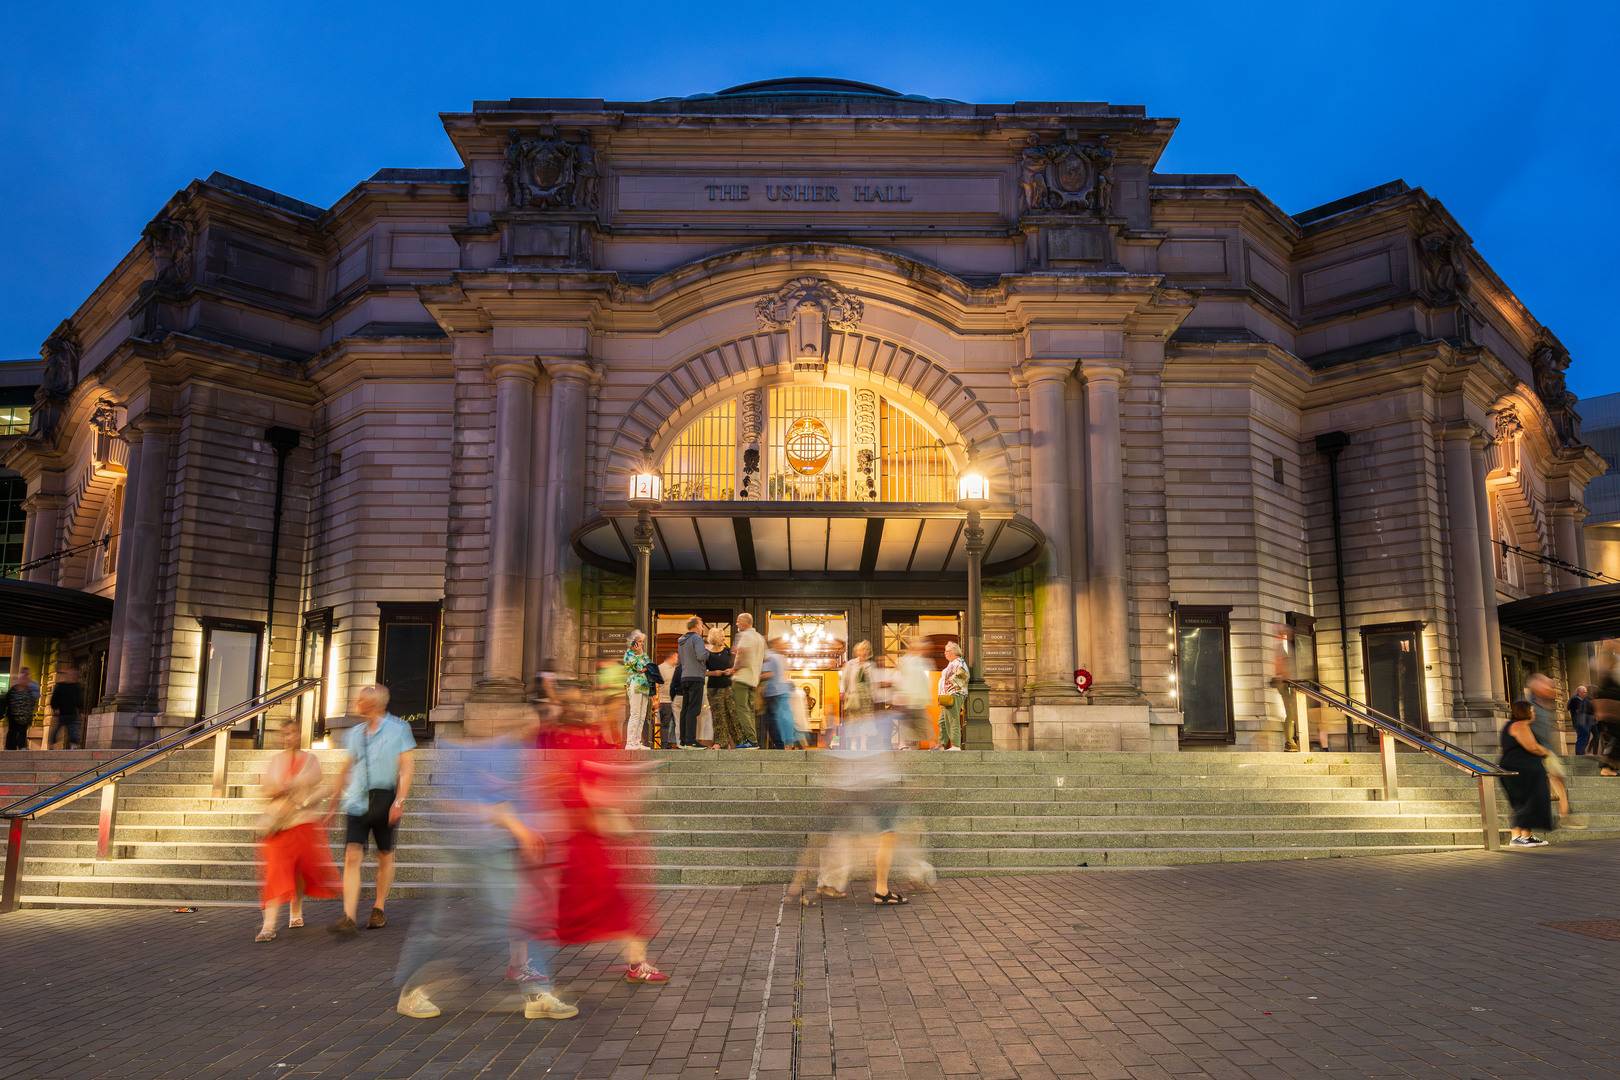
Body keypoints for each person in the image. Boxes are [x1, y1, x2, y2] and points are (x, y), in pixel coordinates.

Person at [394, 704, 577, 1022]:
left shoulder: (517, 755)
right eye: (527, 729)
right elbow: (444, 803)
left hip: (494, 848)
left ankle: (537, 992)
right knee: (442, 924)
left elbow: (521, 800)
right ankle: (412, 990)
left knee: (519, 917)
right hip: (464, 846)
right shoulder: (469, 754)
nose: (531, 737)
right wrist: (506, 821)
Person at [546, 692, 668, 984]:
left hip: (584, 844)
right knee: (607, 910)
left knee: (579, 912)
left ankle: (522, 959)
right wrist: (634, 796)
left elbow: (594, 779)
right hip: (587, 846)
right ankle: (636, 964)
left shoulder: (576, 747)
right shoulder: (580, 747)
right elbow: (590, 793)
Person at [327, 684, 416, 936]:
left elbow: (407, 768)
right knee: (352, 854)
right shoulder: (355, 733)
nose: (357, 703)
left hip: (385, 798)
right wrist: (334, 801)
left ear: (374, 704)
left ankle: (378, 907)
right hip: (356, 800)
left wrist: (399, 801)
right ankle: (349, 916)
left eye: (361, 700)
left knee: (384, 854)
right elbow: (347, 767)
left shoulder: (399, 729)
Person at [255, 718, 338, 941]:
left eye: (292, 732)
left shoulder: (310, 759)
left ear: (299, 734)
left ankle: (296, 909)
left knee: (299, 869)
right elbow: (267, 789)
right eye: (285, 733)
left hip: (302, 822)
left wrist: (289, 787)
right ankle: (268, 925)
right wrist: (282, 788)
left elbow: (312, 782)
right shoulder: (275, 761)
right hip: (279, 824)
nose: (288, 737)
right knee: (275, 871)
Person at [1526, 673, 1586, 828]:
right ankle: (1562, 815)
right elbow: (1523, 728)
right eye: (1547, 685)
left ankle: (1563, 814)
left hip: (1546, 750)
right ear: (1537, 687)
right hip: (1538, 750)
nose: (1551, 689)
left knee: (1558, 778)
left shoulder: (1545, 704)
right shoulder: (1529, 706)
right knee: (1556, 778)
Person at [1499, 700, 1554, 847]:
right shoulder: (1520, 725)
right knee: (1525, 800)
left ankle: (1526, 836)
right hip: (1520, 768)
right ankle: (1517, 837)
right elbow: (1532, 747)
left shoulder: (1513, 725)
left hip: (1521, 767)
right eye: (1532, 710)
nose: (1534, 713)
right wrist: (1547, 752)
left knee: (1527, 800)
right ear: (1525, 711)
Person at [706, 627, 746, 749]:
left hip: (728, 687)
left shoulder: (729, 652)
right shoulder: (707, 654)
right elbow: (702, 671)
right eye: (721, 636)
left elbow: (738, 667)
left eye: (724, 636)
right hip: (714, 688)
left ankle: (740, 741)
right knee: (718, 715)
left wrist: (732, 671)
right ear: (715, 637)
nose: (724, 638)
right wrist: (714, 673)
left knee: (732, 713)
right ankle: (720, 742)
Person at [732, 613, 767, 748]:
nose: (737, 624)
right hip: (753, 679)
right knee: (750, 711)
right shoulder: (759, 638)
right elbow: (762, 658)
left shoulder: (745, 636)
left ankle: (751, 740)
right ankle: (753, 740)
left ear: (745, 623)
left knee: (742, 709)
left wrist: (734, 668)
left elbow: (743, 654)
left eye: (738, 621)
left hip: (742, 678)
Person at [895, 638, 935, 749]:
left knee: (922, 721)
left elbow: (925, 681)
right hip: (908, 697)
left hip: (918, 698)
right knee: (908, 722)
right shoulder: (905, 661)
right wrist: (901, 693)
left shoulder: (924, 662)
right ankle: (904, 744)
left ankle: (930, 744)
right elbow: (900, 678)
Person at [761, 639, 801, 749]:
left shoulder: (769, 656)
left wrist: (755, 677)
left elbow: (769, 674)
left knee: (772, 719)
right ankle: (788, 742)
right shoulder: (781, 658)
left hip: (773, 691)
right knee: (784, 717)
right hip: (783, 690)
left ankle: (780, 744)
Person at [675, 617, 707, 748]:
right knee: (694, 709)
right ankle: (691, 741)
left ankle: (683, 740)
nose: (702, 628)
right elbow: (701, 656)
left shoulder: (681, 641)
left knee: (686, 709)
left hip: (685, 677)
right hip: (696, 677)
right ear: (696, 625)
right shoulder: (696, 639)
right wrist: (708, 653)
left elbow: (681, 661)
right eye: (701, 625)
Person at [839, 641, 876, 748]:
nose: (863, 652)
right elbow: (844, 679)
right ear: (857, 651)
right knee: (853, 721)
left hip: (866, 699)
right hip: (853, 697)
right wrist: (843, 691)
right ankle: (854, 743)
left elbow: (873, 682)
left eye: (865, 650)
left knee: (865, 722)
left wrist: (873, 695)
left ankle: (863, 744)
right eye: (860, 650)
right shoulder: (850, 664)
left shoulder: (870, 666)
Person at [622, 630, 652, 750]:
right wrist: (640, 655)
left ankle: (637, 741)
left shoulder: (642, 654)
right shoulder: (629, 654)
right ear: (633, 642)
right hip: (634, 684)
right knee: (635, 714)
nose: (641, 644)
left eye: (642, 642)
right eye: (639, 641)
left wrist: (642, 656)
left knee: (642, 715)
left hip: (644, 685)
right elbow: (639, 668)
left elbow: (649, 666)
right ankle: (630, 742)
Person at [936, 642, 967, 751]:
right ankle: (941, 744)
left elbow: (962, 676)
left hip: (953, 695)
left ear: (954, 652)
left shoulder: (959, 662)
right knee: (942, 721)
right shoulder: (952, 663)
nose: (945, 653)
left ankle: (956, 745)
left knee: (952, 720)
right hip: (947, 696)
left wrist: (950, 686)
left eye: (947, 651)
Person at [1593, 655, 1620, 777]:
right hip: (1613, 714)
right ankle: (1606, 766)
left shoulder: (1609, 681)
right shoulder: (1609, 681)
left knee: (1615, 739)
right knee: (1616, 739)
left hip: (1612, 714)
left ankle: (1607, 766)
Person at [47, 664, 85, 750]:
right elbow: (54, 698)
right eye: (71, 674)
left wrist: (81, 711)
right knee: (56, 729)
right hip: (62, 713)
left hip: (72, 712)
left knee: (73, 730)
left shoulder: (76, 686)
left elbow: (79, 700)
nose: (73, 676)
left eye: (75, 675)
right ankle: (51, 744)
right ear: (67, 675)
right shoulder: (60, 686)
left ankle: (74, 745)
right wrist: (55, 708)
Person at [5, 666, 39, 750]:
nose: (25, 676)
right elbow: (7, 700)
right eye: (23, 674)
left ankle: (22, 746)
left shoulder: (31, 688)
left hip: (25, 715)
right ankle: (10, 747)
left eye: (27, 674)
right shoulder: (14, 688)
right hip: (13, 715)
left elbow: (36, 696)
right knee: (12, 731)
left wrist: (31, 683)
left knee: (22, 731)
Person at [654, 650, 679, 749]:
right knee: (665, 724)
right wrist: (656, 701)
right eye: (676, 657)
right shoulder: (660, 668)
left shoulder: (676, 669)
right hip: (665, 701)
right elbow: (655, 685)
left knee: (676, 723)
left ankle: (673, 743)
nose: (677, 659)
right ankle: (664, 745)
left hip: (675, 701)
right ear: (672, 657)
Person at [1569, 684, 1595, 757]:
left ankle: (1581, 753)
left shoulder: (1582, 700)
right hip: (1580, 722)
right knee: (1582, 737)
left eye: (1586, 692)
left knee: (1585, 736)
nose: (1586, 693)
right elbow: (1580, 711)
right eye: (1584, 692)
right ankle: (1579, 754)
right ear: (1579, 692)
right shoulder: (1575, 700)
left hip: (1583, 722)